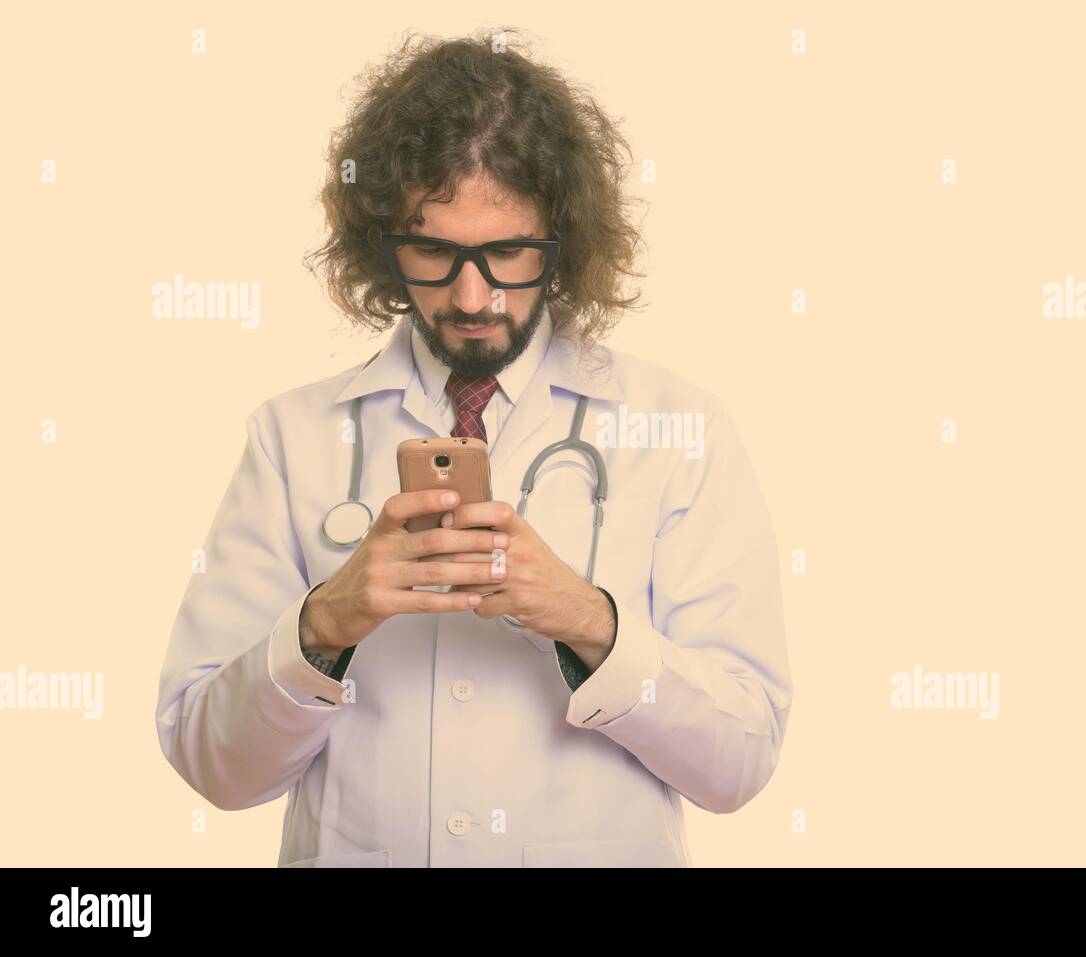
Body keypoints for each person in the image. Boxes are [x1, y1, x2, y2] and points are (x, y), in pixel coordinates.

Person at [155, 28, 792, 868]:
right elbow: (213, 764)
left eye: (506, 252)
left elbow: (739, 762)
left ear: (562, 240)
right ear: (380, 242)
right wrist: (325, 623)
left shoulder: (679, 427)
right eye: (434, 250)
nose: (471, 293)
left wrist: (587, 620)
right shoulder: (291, 436)